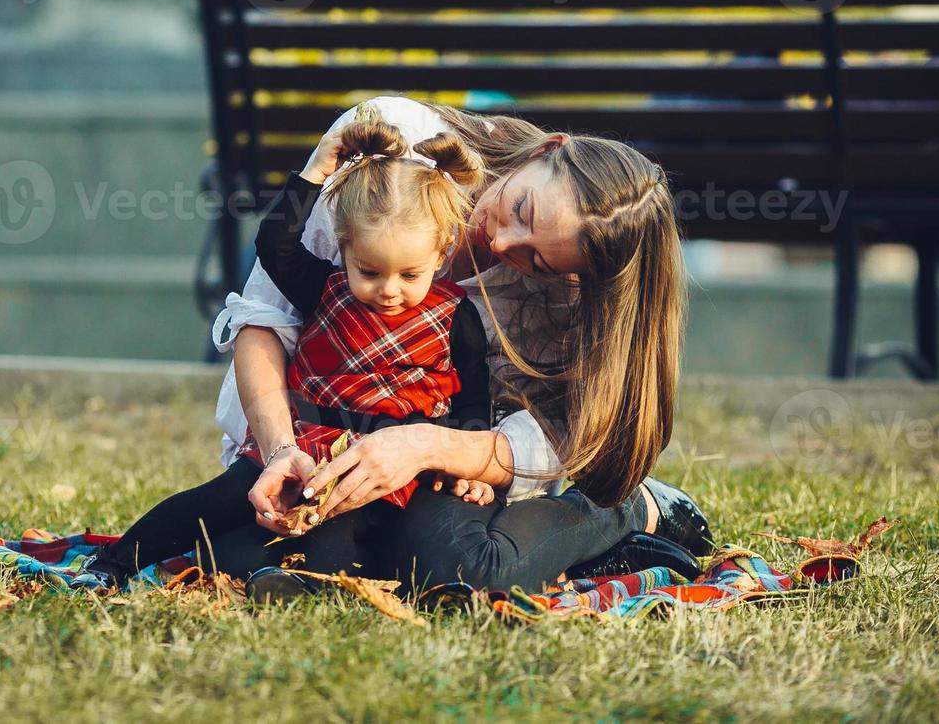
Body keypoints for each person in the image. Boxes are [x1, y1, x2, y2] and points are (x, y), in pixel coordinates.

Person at [212, 96, 713, 595]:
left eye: (536, 261)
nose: (501, 244)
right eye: (521, 208)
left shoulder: (573, 287)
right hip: (307, 436)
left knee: (455, 575)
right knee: (261, 552)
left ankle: (626, 510)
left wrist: (432, 448)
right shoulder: (392, 149)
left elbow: (567, 432)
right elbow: (265, 322)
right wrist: (282, 451)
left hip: (455, 466)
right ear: (547, 150)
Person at [86, 115, 498, 583]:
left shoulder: (454, 316)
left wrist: (467, 468)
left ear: (441, 252)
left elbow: (471, 398)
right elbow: (274, 244)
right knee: (217, 500)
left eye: (408, 275)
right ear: (343, 247)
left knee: (333, 545)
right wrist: (313, 174)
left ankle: (280, 575)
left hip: (386, 467)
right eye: (369, 270)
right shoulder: (325, 288)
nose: (388, 289)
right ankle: (111, 565)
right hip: (304, 444)